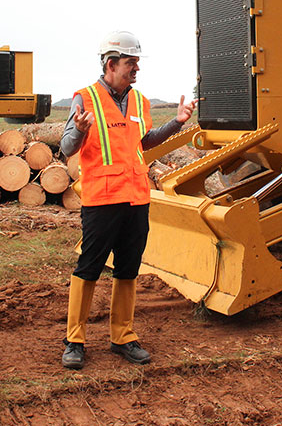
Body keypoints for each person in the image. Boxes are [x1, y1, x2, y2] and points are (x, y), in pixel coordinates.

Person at [60, 31, 196, 370]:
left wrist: (177, 123)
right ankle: (74, 340)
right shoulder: (84, 98)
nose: (136, 68)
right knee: (89, 267)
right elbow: (66, 148)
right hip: (102, 199)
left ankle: (122, 337)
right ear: (111, 64)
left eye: (136, 62)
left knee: (128, 268)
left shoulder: (140, 102)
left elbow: (145, 141)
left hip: (136, 198)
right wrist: (79, 129)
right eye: (130, 63)